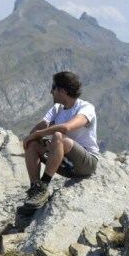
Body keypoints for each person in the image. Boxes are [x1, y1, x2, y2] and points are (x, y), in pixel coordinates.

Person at [20, 71, 99, 211]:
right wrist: (33, 137)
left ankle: (44, 186)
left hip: (85, 163)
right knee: (32, 144)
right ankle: (35, 190)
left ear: (62, 91)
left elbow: (66, 128)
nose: (51, 91)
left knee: (58, 136)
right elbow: (41, 126)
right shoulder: (57, 109)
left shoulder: (86, 108)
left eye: (53, 88)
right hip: (65, 163)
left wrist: (39, 134)